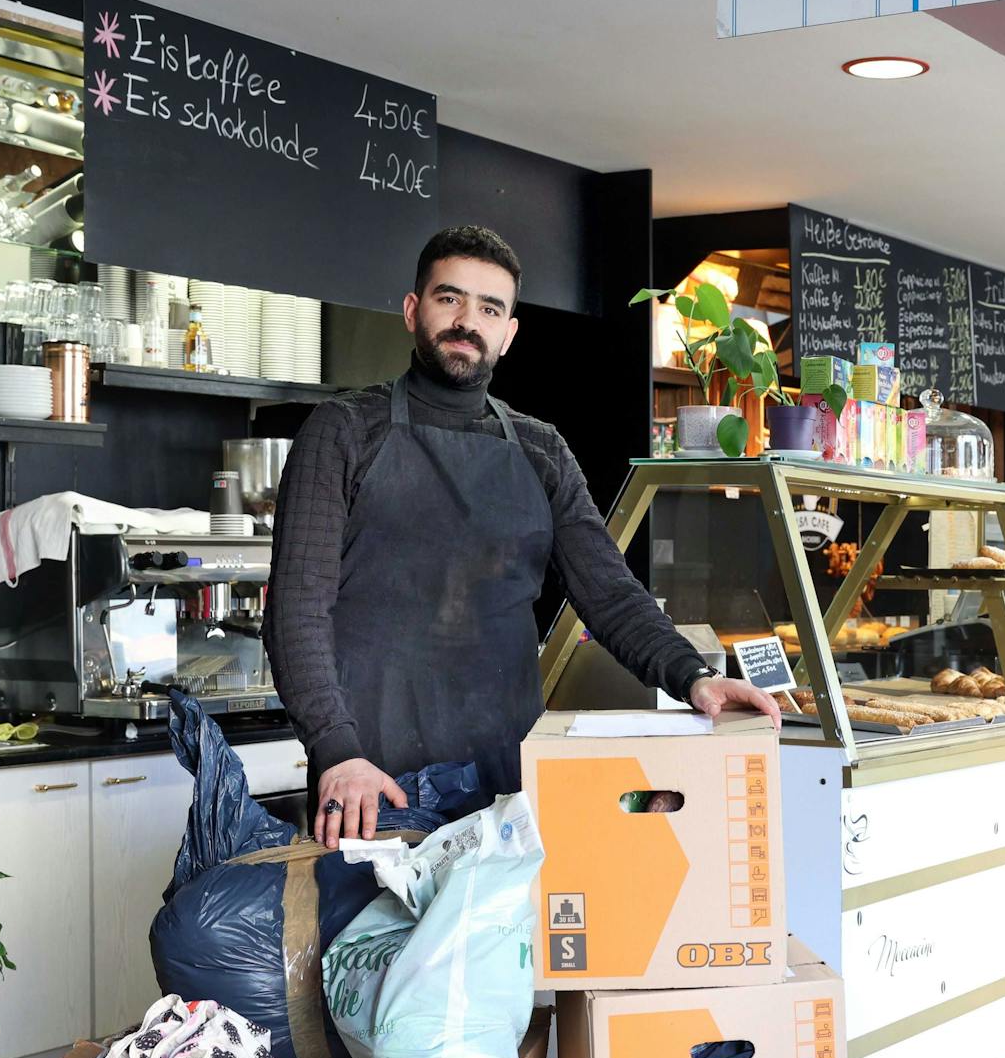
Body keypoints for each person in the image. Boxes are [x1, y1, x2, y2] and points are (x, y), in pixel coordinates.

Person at [267, 225, 778, 848]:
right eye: (449, 299)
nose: (467, 321)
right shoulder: (343, 430)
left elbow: (610, 593)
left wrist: (692, 675)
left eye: (489, 308)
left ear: (508, 334)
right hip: (371, 785)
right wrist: (336, 749)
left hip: (507, 781)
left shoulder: (541, 449)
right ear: (412, 310)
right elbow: (296, 612)